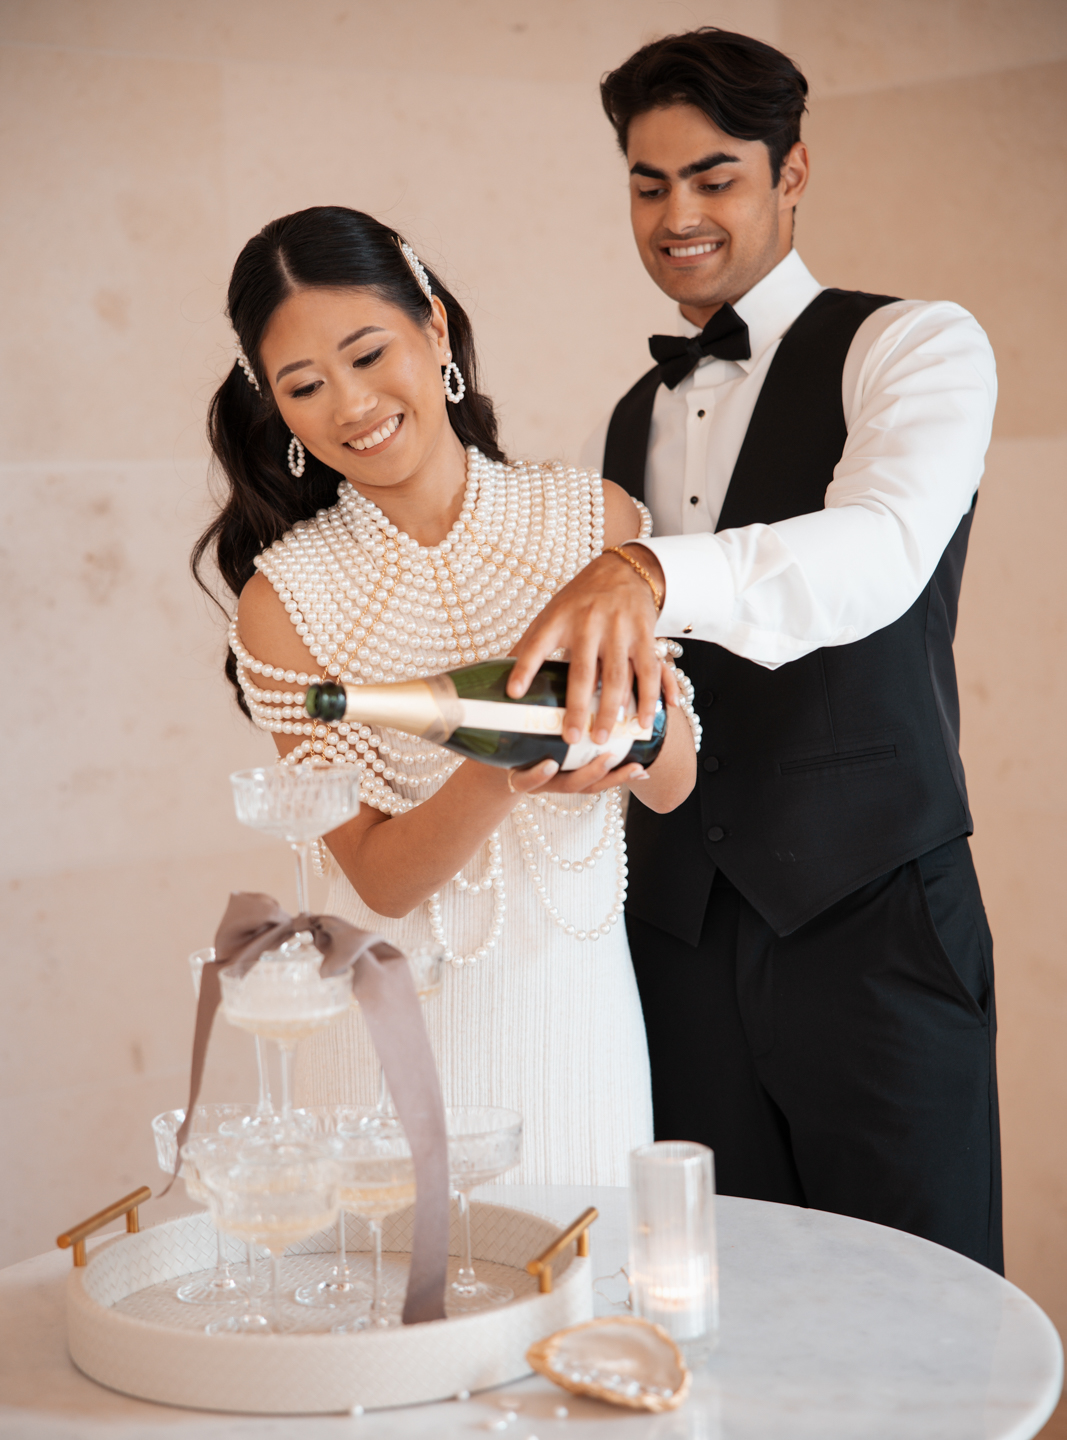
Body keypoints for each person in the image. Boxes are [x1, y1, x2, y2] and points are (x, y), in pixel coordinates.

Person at [505, 27, 1016, 1440]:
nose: (676, 216)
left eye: (713, 177)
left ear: (791, 173)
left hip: (874, 922)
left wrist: (647, 568)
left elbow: (873, 555)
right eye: (646, 183)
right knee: (732, 1349)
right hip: (674, 932)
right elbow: (646, 688)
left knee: (932, 1352)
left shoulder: (910, 347)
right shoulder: (621, 423)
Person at [193, 204, 697, 1197]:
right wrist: (502, 764)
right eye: (304, 385)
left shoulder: (593, 522)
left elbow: (673, 776)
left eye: (367, 353)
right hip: (390, 1045)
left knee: (588, 1278)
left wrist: (622, 736)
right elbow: (379, 879)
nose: (350, 404)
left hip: (580, 1026)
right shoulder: (282, 601)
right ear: (277, 409)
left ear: (431, 327)